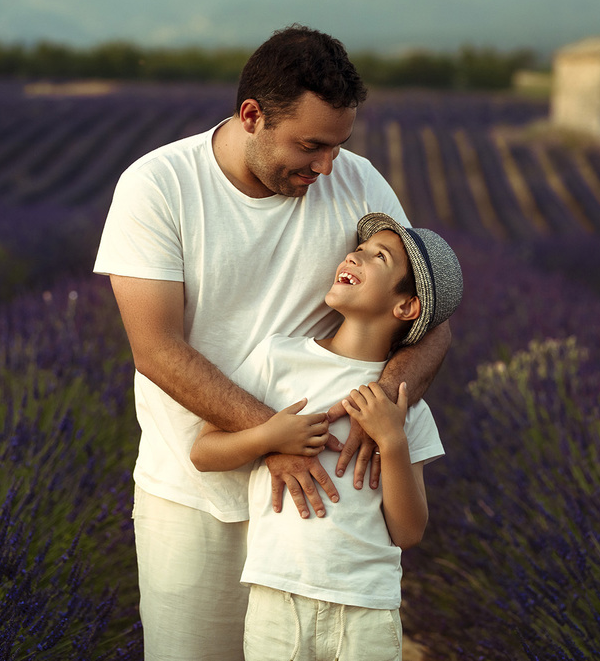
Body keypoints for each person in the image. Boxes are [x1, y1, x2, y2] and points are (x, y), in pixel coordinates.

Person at [93, 25, 452, 660]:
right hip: (194, 491)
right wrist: (272, 439)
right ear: (252, 115)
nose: (326, 167)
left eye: (338, 147)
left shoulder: (360, 182)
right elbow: (156, 349)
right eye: (311, 146)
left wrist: (379, 417)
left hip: (321, 509)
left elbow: (430, 320)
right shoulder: (158, 187)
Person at [191, 213, 462, 661]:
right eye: (360, 247)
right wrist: (268, 436)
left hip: (368, 609)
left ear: (406, 307)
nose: (356, 253)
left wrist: (391, 440)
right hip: (278, 595)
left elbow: (409, 531)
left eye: (380, 257)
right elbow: (204, 452)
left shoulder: (404, 407)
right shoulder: (279, 357)